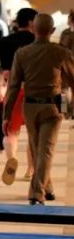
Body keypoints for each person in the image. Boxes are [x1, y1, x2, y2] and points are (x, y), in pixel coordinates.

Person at [4, 13, 74, 205]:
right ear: (52, 31)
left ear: (33, 29)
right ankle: (37, 192)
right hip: (53, 106)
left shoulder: (22, 53)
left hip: (29, 107)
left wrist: (6, 115)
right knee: (45, 150)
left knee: (38, 149)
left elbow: (13, 87)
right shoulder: (61, 53)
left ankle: (45, 187)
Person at [0, 7, 37, 184]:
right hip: (33, 90)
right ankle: (31, 170)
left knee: (11, 132)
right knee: (33, 132)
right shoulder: (36, 41)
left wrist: (1, 70)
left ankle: (11, 159)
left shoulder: (6, 40)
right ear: (31, 22)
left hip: (12, 89)